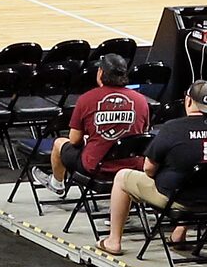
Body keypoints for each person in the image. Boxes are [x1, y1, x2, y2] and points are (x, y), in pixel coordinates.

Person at [101, 80, 207, 257]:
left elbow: (148, 168)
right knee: (196, 176)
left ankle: (113, 241)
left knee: (122, 177)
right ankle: (179, 234)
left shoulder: (173, 128)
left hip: (179, 200)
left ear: (188, 100)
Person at [50, 54, 152, 187]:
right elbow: (143, 133)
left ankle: (57, 185)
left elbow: (74, 140)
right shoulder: (141, 100)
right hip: (132, 166)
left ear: (100, 73)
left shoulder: (86, 99)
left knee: (59, 143)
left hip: (98, 166)